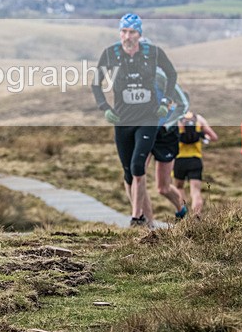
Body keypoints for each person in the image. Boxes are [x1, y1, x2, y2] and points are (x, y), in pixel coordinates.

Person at [92, 13, 178, 227]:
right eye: (123, 31)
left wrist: (165, 101)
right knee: (128, 172)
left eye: (131, 32)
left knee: (138, 166)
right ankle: (145, 220)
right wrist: (105, 108)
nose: (127, 36)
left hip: (147, 118)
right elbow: (96, 83)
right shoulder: (110, 54)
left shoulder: (153, 53)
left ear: (139, 34)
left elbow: (172, 74)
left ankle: (136, 217)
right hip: (122, 120)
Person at [147, 68, 190, 220]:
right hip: (145, 131)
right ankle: (142, 220)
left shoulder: (162, 76)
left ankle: (182, 210)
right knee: (136, 176)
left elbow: (184, 103)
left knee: (163, 188)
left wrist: (168, 125)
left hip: (166, 135)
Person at [174, 109, 218, 217]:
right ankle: (196, 216)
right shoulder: (199, 119)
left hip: (179, 159)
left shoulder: (175, 119)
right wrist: (203, 137)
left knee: (179, 187)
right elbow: (214, 137)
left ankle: (182, 214)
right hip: (195, 159)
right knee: (195, 191)